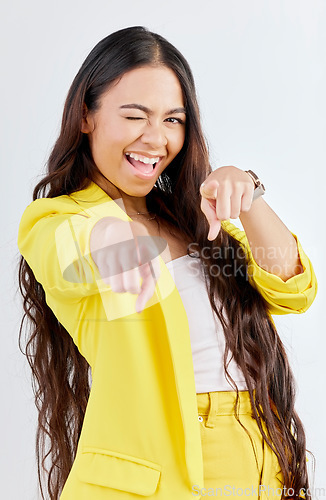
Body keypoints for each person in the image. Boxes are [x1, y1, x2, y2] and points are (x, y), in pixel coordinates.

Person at [17, 26, 318, 500]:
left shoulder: (196, 224)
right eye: (135, 116)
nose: (156, 139)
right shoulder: (57, 220)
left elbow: (291, 287)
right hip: (156, 479)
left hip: (261, 466)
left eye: (173, 120)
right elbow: (84, 260)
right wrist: (124, 226)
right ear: (85, 117)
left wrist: (248, 193)